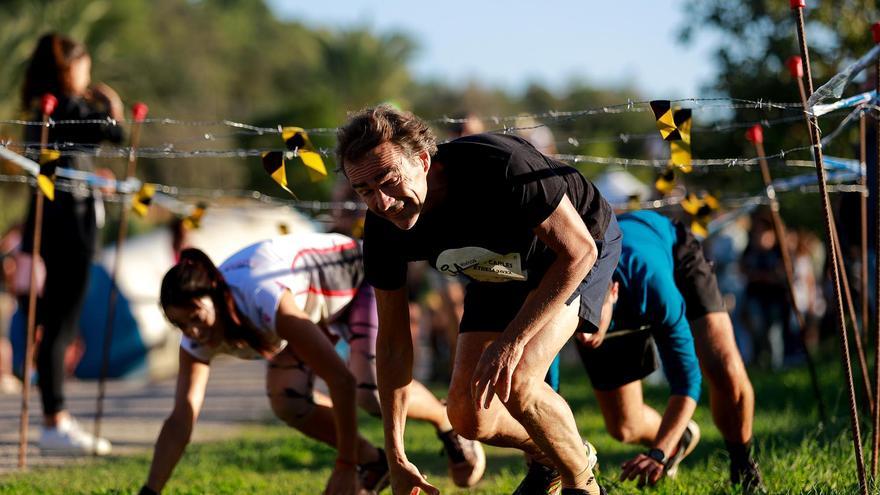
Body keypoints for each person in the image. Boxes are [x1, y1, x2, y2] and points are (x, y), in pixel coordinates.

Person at [337, 104, 620, 495]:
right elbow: (392, 345)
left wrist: (512, 342)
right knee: (470, 418)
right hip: (497, 268)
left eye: (388, 180)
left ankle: (581, 481)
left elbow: (579, 252)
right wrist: (396, 455)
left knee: (518, 378)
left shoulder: (500, 165)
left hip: (573, 251)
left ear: (422, 159)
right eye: (364, 190)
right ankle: (554, 453)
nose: (382, 203)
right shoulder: (383, 227)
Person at [140, 233, 484, 495]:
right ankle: (373, 462)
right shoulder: (197, 334)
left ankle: (442, 417)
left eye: (197, 318)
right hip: (310, 304)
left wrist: (343, 465)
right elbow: (181, 417)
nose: (193, 332)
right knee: (287, 397)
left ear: (216, 294)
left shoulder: (261, 296)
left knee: (369, 392)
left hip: (357, 274)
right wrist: (149, 492)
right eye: (181, 325)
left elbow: (341, 381)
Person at [576, 210, 764, 492]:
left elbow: (687, 382)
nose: (584, 335)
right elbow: (543, 386)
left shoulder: (653, 286)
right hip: (605, 285)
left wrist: (658, 453)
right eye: (578, 320)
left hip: (671, 253)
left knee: (721, 365)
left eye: (590, 320)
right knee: (624, 427)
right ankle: (680, 436)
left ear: (613, 293)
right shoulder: (564, 293)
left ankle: (743, 465)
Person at [19, 32, 124, 455]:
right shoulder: (67, 107)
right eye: (85, 67)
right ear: (70, 68)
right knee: (61, 326)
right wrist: (112, 107)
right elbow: (113, 134)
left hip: (52, 226)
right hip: (71, 229)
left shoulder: (42, 111)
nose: (89, 75)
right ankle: (54, 422)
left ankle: (54, 418)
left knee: (55, 326)